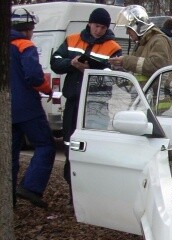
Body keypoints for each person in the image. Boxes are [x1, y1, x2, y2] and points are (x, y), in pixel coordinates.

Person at [50, 7, 122, 194]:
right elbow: (55, 62)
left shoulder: (113, 47)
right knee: (69, 144)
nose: (99, 31)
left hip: (96, 106)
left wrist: (91, 71)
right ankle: (72, 187)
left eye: (103, 28)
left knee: (93, 147)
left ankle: (91, 189)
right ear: (89, 23)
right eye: (97, 26)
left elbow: (115, 76)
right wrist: (71, 63)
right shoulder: (72, 39)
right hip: (73, 103)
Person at [10, 8, 56, 209]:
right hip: (28, 108)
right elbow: (35, 77)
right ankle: (31, 187)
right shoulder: (25, 46)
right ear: (28, 30)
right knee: (46, 145)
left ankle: (7, 200)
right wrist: (47, 89)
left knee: (9, 155)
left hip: (7, 110)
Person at [108, 5, 172, 85]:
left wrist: (125, 61)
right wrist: (120, 67)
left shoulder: (159, 40)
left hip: (159, 95)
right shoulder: (142, 43)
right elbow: (138, 71)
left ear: (138, 26)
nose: (127, 32)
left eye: (129, 28)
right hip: (144, 94)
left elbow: (156, 66)